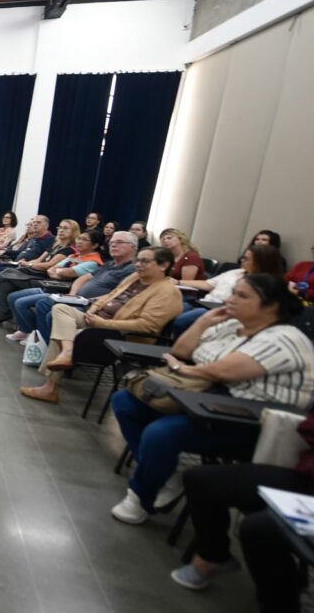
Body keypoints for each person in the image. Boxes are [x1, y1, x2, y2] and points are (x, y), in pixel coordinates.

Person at [109, 274, 314, 524]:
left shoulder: (284, 338)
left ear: (271, 305)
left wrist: (182, 370)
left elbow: (223, 371)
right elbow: (181, 351)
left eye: (242, 295)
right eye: (233, 292)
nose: (231, 299)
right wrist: (203, 321)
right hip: (207, 399)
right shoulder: (230, 325)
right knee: (125, 402)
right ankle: (166, 473)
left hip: (254, 421)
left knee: (161, 434)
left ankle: (141, 497)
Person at [168, 414, 314, 610]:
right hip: (306, 480)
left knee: (260, 528)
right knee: (200, 480)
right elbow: (307, 427)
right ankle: (215, 556)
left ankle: (281, 604)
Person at [19, 247, 182, 404]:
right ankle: (67, 352)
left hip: (119, 333)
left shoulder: (167, 292)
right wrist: (94, 309)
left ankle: (50, 387)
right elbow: (111, 295)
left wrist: (104, 323)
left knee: (68, 334)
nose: (138, 265)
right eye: (137, 260)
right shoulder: (134, 278)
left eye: (145, 261)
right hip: (97, 320)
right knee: (61, 309)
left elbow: (146, 326)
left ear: (164, 265)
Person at [9, 232, 139, 345]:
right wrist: (73, 295)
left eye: (119, 242)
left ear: (133, 247)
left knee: (44, 306)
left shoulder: (131, 269)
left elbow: (117, 293)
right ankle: (42, 342)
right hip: (74, 296)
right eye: (112, 242)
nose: (114, 245)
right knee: (16, 290)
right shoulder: (109, 264)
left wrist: (90, 301)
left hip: (92, 305)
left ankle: (47, 345)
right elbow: (83, 278)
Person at [0, 219, 80, 325]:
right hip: (35, 271)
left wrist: (30, 264)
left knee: (7, 272)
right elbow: (39, 260)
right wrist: (28, 262)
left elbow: (49, 266)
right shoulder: (56, 246)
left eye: (65, 228)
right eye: (60, 227)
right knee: (5, 283)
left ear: (74, 232)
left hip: (44, 278)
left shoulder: (68, 250)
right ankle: (3, 314)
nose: (61, 230)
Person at [5, 229, 105, 342]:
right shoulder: (74, 255)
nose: (79, 241)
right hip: (52, 285)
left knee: (22, 302)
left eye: (84, 239)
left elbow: (66, 272)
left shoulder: (93, 262)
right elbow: (51, 270)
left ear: (95, 245)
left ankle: (38, 337)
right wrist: (60, 272)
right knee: (13, 296)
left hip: (63, 292)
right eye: (79, 238)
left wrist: (60, 272)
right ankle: (28, 331)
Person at [171, 244, 283, 336]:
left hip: (222, 311)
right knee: (170, 311)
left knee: (181, 321)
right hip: (204, 303)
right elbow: (208, 284)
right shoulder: (235, 272)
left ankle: (177, 352)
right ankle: (161, 343)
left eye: (247, 259)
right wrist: (179, 282)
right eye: (243, 257)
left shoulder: (266, 283)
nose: (242, 261)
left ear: (261, 262)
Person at [0, 215, 54, 282]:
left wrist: (29, 263)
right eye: (34, 222)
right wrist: (5, 252)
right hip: (15, 262)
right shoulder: (33, 238)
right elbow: (20, 251)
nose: (35, 224)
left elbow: (45, 259)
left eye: (38, 222)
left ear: (46, 226)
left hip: (26, 268)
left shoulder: (50, 240)